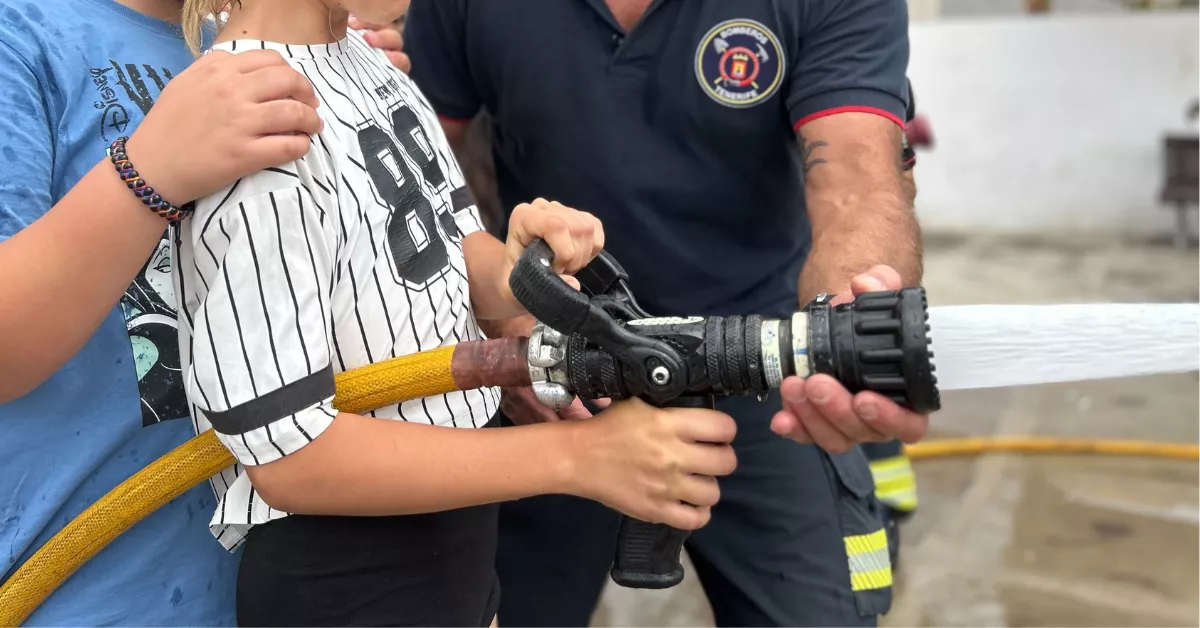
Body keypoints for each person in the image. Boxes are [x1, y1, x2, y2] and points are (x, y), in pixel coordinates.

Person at [173, 1, 738, 626]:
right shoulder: (250, 117)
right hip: (343, 579)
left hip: (455, 554)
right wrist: (584, 457)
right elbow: (291, 456)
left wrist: (519, 271)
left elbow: (439, 246)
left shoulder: (364, 62)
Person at [403, 0, 930, 625]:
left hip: (760, 371)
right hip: (555, 374)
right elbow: (425, 166)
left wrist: (846, 325)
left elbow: (856, 179)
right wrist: (503, 318)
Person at [0, 1, 417, 624]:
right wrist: (147, 174)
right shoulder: (21, 36)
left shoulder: (256, 45)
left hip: (273, 584)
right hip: (78, 595)